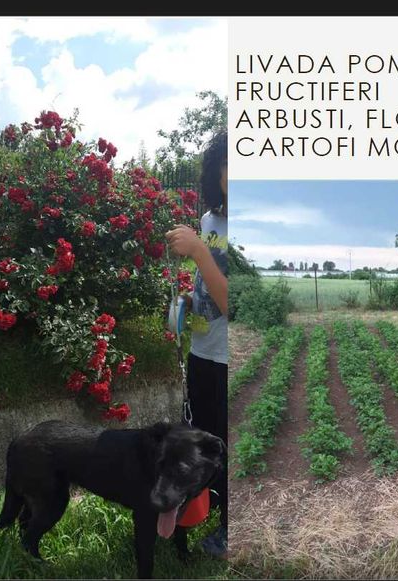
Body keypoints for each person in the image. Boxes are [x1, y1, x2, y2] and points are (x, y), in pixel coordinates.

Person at [165, 130, 228, 557]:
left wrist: (201, 254)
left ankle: (231, 530)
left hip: (229, 359)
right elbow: (209, 286)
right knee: (205, 445)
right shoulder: (210, 221)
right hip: (202, 353)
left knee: (228, 445)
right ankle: (208, 514)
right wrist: (189, 298)